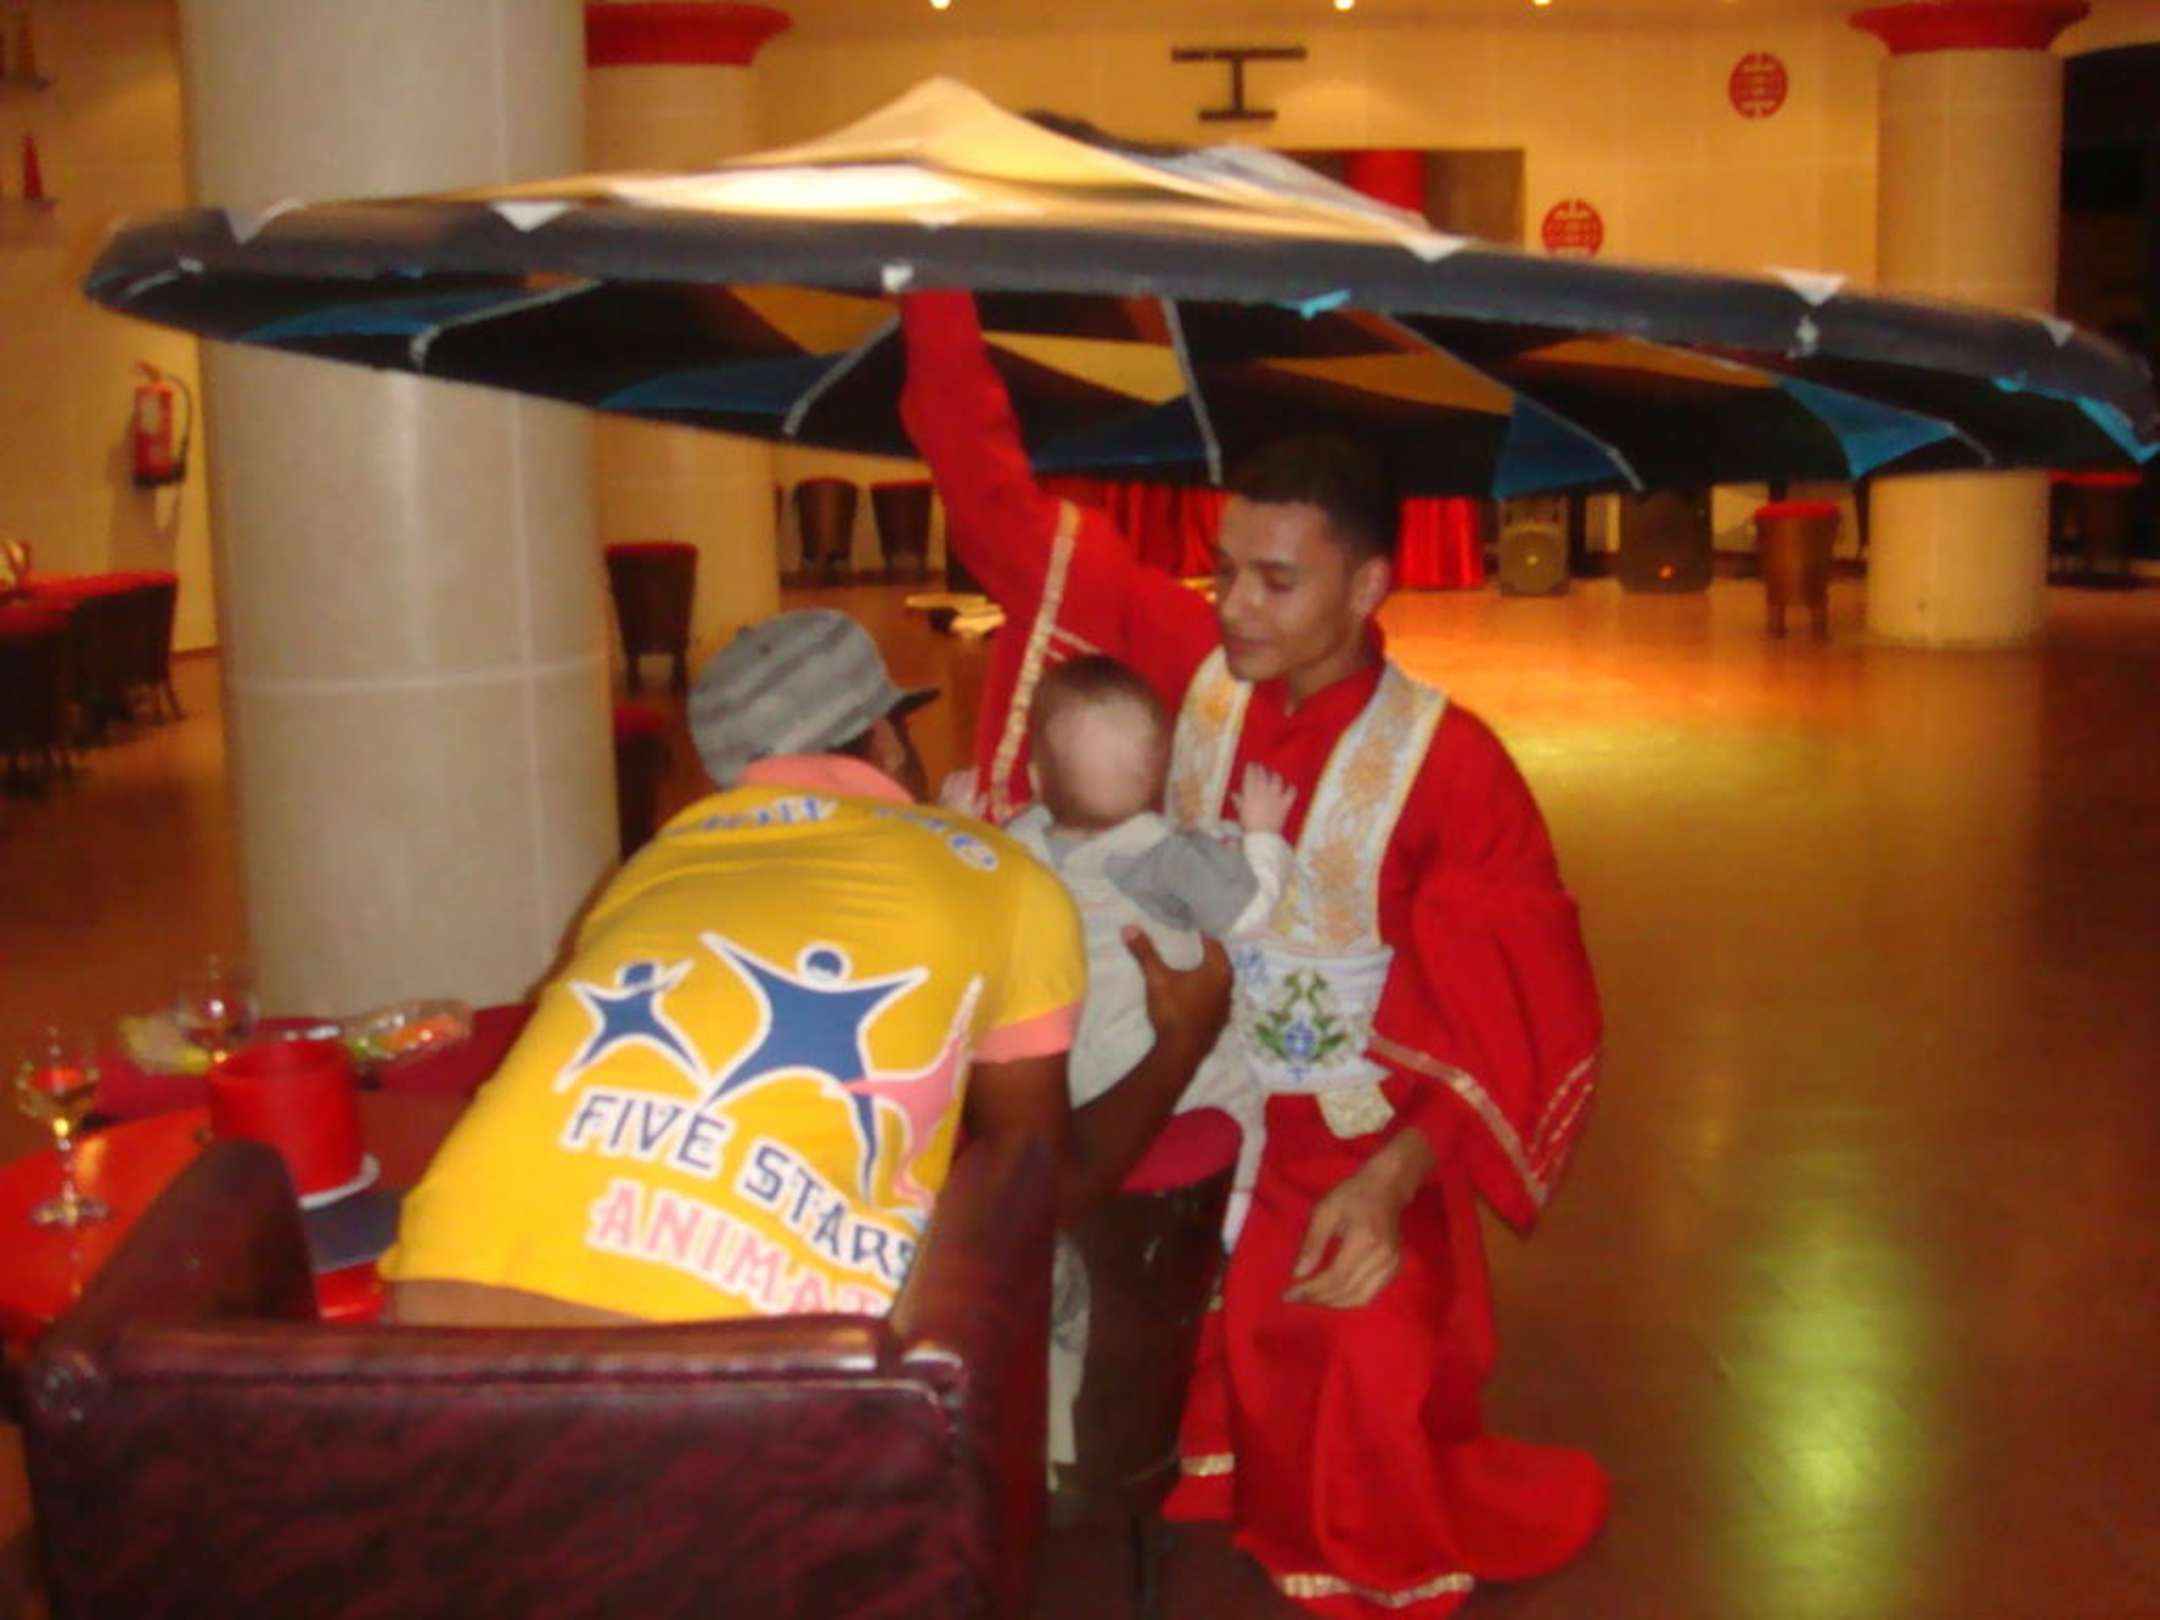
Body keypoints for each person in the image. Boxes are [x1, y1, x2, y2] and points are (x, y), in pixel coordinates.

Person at [900, 292, 1608, 1617]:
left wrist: (1392, 1183)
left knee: (1356, 1344)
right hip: (1175, 1091)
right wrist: (936, 289)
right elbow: (1000, 520)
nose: (1233, 605)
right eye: (1223, 569)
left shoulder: (1453, 766)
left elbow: (1511, 1008)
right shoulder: (1195, 667)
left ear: (1369, 585)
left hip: (1351, 1137)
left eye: (1276, 581)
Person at [383, 607, 1228, 1327]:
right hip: (746, 1363)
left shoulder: (653, 862)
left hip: (437, 1302)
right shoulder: (1006, 878)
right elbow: (1036, 1193)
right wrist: (1183, 1039)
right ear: (888, 743)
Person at [984, 651, 1291, 1479]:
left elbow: (963, 872)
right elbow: (1250, 913)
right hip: (1164, 1073)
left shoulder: (1015, 846)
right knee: (1245, 1093)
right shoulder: (1166, 854)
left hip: (1063, 1081)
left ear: (1035, 774)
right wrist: (1264, 837)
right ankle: (1221, 1239)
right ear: (1162, 779)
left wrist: (952, 813)